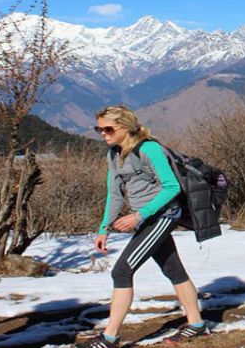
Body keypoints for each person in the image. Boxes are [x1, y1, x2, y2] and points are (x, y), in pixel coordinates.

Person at [82, 105, 207, 348]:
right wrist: (103, 228)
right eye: (99, 129)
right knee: (174, 270)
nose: (103, 134)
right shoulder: (114, 155)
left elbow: (172, 187)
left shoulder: (149, 149)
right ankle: (197, 324)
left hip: (162, 217)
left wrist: (139, 216)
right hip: (146, 218)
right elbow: (114, 194)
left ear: (125, 127)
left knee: (121, 271)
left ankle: (110, 338)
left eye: (108, 129)